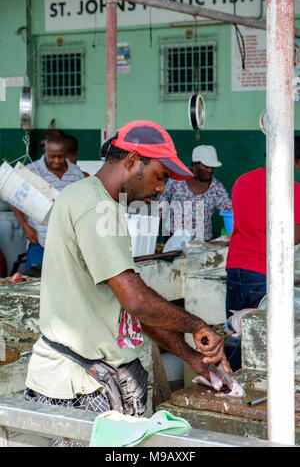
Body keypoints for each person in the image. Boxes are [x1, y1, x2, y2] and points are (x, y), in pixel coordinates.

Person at [24, 120, 230, 445]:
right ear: (132, 161)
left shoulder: (103, 204)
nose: (162, 188)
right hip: (79, 386)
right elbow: (135, 299)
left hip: (92, 377)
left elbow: (125, 308)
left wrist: (187, 354)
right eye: (159, 176)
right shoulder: (95, 206)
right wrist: (197, 324)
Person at [225, 144, 300, 371]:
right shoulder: (292, 188)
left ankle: (230, 386)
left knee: (235, 333)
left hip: (235, 267)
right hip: (264, 271)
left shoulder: (242, 180)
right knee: (265, 340)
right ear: (296, 161)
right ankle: (260, 395)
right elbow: (292, 237)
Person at [12, 135, 85, 277]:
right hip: (39, 240)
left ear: (67, 154)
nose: (57, 160)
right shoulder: (31, 170)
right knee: (35, 283)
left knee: (64, 281)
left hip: (67, 242)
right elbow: (15, 199)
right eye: (52, 156)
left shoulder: (76, 173)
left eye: (61, 156)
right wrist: (25, 225)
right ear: (45, 151)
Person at [158, 145, 232, 242]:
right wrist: (156, 239)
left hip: (202, 242)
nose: (210, 170)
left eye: (212, 167)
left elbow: (229, 213)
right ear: (194, 164)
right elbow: (161, 207)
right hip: (173, 239)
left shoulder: (217, 188)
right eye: (206, 166)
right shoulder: (176, 180)